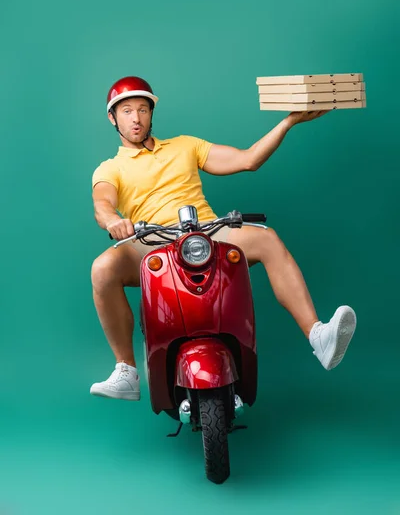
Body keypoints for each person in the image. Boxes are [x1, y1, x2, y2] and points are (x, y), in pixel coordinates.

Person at [90, 76, 357, 401]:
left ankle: (319, 337)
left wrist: (289, 122)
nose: (136, 118)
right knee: (102, 269)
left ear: (151, 113)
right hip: (152, 240)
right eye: (127, 110)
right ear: (112, 117)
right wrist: (114, 221)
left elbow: (248, 159)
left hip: (206, 232)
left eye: (143, 109)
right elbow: (102, 204)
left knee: (267, 238)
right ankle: (126, 371)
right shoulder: (110, 167)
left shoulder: (185, 145)